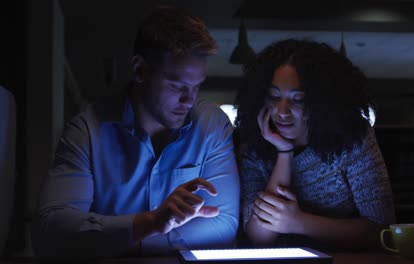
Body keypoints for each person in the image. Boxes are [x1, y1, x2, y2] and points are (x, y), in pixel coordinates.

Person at [32, 5, 239, 258]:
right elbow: (51, 231)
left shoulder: (211, 126)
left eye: (197, 86)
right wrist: (149, 222)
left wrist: (132, 238)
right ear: (139, 69)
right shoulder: (87, 131)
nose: (189, 100)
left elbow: (222, 226)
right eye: (177, 86)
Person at [235, 39, 395, 249]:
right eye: (274, 96)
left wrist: (299, 223)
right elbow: (259, 236)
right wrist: (284, 153)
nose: (282, 111)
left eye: (298, 99)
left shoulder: (353, 138)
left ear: (322, 101)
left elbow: (382, 229)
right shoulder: (253, 148)